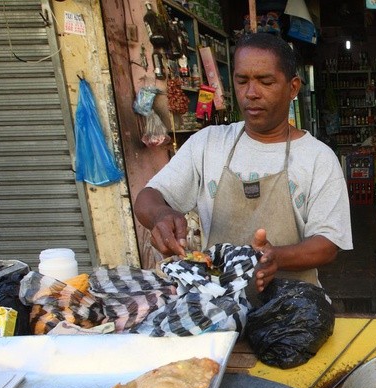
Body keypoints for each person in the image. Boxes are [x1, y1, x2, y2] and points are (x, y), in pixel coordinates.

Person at [134, 32, 352, 293]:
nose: (251, 93)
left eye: (265, 82)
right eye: (242, 81)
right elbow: (148, 197)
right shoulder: (208, 144)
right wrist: (161, 214)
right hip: (217, 303)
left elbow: (328, 245)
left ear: (293, 88)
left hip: (295, 306)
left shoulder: (318, 158)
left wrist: (276, 257)